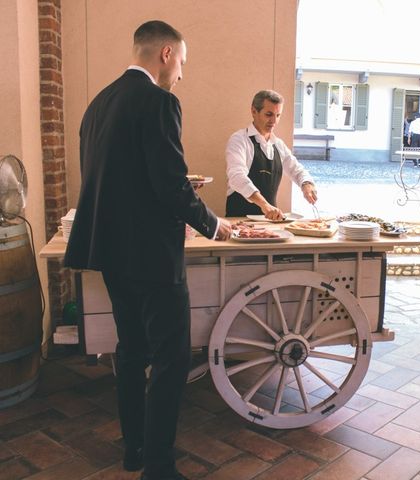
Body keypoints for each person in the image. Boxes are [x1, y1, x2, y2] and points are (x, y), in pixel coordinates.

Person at [64, 20, 232, 480]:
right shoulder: (159, 101)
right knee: (173, 357)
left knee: (131, 351)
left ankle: (134, 451)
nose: (181, 74)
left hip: (111, 253)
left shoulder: (97, 105)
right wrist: (214, 225)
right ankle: (159, 466)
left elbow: (114, 181)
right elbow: (170, 185)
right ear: (165, 54)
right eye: (182, 63)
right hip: (154, 258)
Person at [225, 90, 317, 220]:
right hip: (240, 222)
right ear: (253, 111)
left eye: (278, 115)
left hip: (270, 223)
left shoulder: (278, 145)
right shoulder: (239, 140)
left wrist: (306, 184)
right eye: (269, 114)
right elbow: (236, 176)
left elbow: (297, 170)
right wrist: (264, 205)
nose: (274, 121)